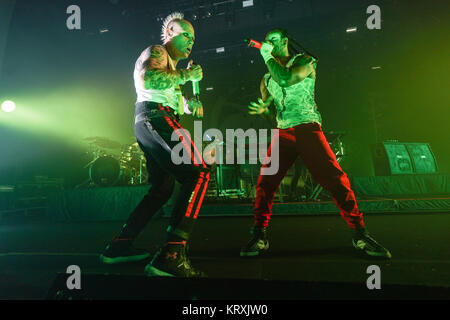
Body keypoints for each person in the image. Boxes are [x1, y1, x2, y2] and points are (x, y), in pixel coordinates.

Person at [241, 28, 391, 259]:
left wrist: (266, 54)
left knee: (335, 179)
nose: (269, 44)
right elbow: (270, 106)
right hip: (283, 132)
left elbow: (286, 78)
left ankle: (360, 234)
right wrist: (263, 110)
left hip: (308, 128)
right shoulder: (266, 79)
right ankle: (259, 234)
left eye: (273, 41)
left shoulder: (304, 60)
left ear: (285, 42)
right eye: (266, 41)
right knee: (265, 182)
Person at [100, 12, 210, 277]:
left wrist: (189, 104)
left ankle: (119, 246)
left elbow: (168, 92)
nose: (191, 41)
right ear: (170, 31)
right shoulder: (158, 52)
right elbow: (148, 80)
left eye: (193, 38)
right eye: (186, 35)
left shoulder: (171, 66)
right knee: (199, 172)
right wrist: (186, 75)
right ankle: (171, 255)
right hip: (155, 116)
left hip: (157, 117)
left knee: (162, 188)